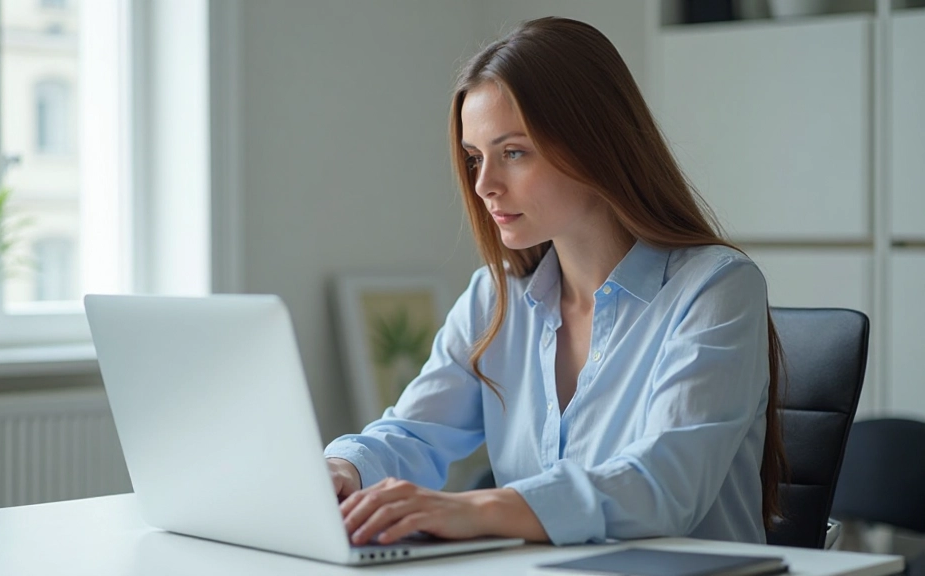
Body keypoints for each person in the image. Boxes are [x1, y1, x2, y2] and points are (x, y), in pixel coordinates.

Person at [323, 16, 786, 547]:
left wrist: (475, 509)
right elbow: (410, 433)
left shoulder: (717, 289)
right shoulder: (494, 299)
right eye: (475, 158)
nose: (484, 185)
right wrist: (343, 469)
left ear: (594, 142)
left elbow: (664, 485)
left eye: (514, 153)